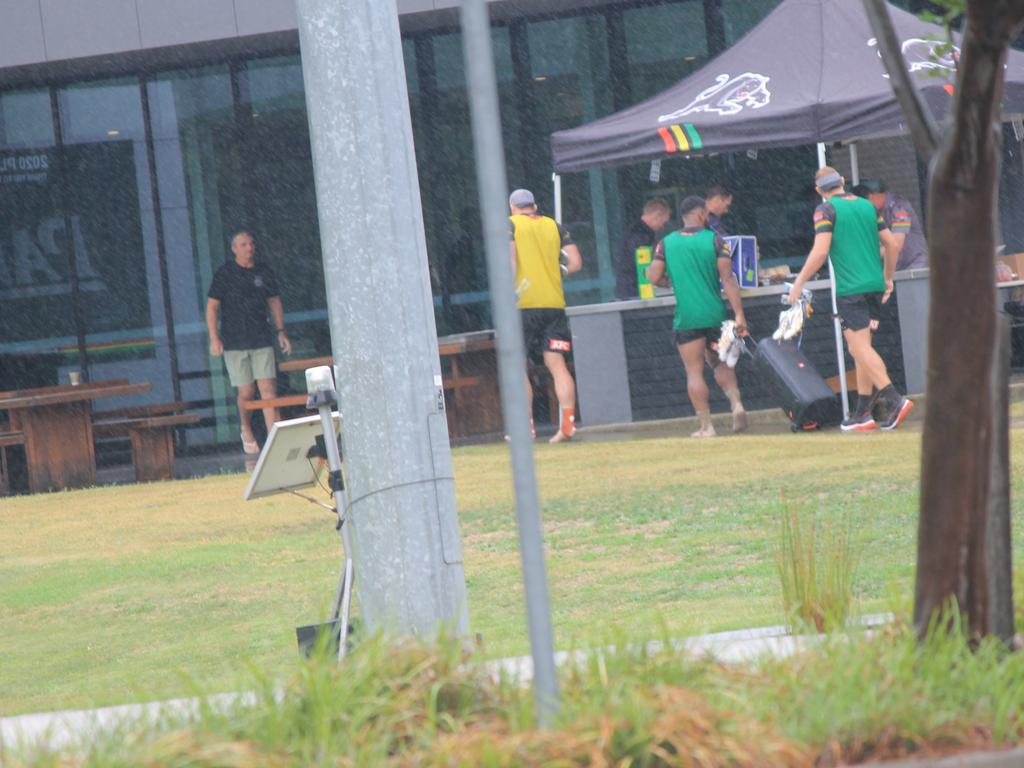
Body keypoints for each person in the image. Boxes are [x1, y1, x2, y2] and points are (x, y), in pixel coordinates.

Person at [787, 167, 913, 432]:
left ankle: (893, 397)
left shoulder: (826, 210)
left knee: (859, 349)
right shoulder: (868, 207)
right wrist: (887, 277)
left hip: (850, 290)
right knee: (861, 349)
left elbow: (820, 252)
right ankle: (862, 412)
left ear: (819, 191)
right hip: (874, 287)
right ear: (843, 182)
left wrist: (798, 283)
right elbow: (892, 244)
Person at [646, 195, 748, 438]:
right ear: (702, 214)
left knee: (694, 371)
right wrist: (739, 314)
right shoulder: (716, 240)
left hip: (687, 318)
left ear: (683, 216)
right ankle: (736, 404)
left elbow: (652, 277)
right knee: (721, 362)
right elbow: (728, 278)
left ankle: (706, 426)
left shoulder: (665, 244)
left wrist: (670, 281)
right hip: (714, 314)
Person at [206, 231, 292, 454]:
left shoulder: (263, 271)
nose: (249, 248)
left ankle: (274, 438)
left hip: (261, 337)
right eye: (243, 244)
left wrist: (281, 331)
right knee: (246, 390)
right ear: (234, 248)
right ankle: (246, 428)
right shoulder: (225, 274)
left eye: (251, 243)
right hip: (234, 341)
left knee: (268, 388)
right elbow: (212, 307)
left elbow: (274, 301)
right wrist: (214, 338)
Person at [508, 188, 583, 443]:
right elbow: (575, 263)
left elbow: (510, 263)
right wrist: (553, 273)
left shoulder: (510, 226)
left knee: (519, 368)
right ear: (535, 205)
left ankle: (526, 430)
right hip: (553, 303)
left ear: (512, 206)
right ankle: (568, 425)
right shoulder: (555, 226)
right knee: (557, 366)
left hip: (523, 305)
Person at [862, 179, 929, 271]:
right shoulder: (878, 212)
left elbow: (896, 245)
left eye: (864, 206)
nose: (865, 211)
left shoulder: (899, 207)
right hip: (897, 268)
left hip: (916, 265)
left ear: (871, 197)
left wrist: (867, 255)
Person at [614, 197, 672, 300]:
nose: (663, 227)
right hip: (635, 292)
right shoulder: (641, 235)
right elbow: (644, 266)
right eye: (664, 223)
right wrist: (664, 281)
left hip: (626, 290)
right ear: (657, 215)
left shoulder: (631, 231)